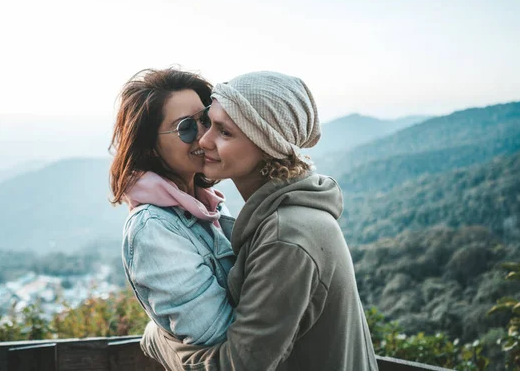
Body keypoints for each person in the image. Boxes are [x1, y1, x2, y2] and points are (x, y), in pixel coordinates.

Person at [141, 71, 379, 371]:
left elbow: (236, 366)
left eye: (224, 132)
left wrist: (158, 336)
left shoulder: (287, 237)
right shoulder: (281, 218)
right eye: (208, 123)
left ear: (268, 145)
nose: (204, 140)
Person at [109, 68, 236, 346]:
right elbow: (217, 339)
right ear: (150, 146)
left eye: (205, 120)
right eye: (186, 128)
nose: (204, 137)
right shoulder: (152, 229)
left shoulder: (209, 205)